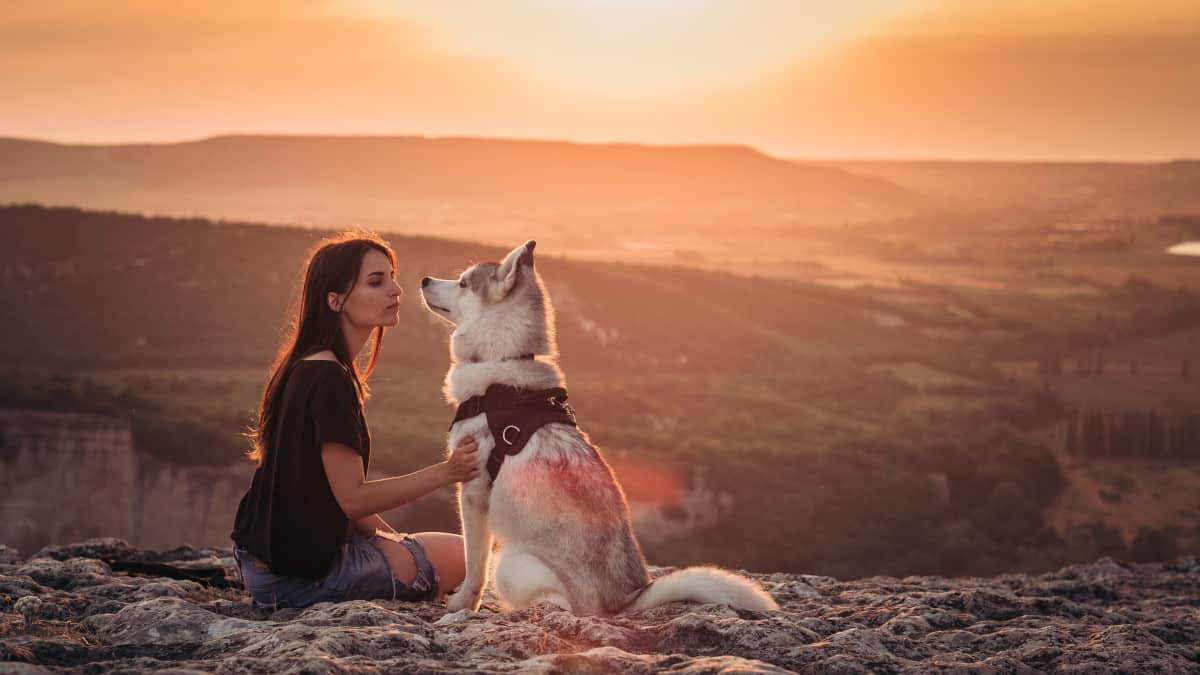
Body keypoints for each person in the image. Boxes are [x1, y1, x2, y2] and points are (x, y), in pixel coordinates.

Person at [230, 230, 480, 609]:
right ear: (335, 300)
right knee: (470, 557)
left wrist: (399, 546)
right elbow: (352, 498)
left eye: (392, 277)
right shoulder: (329, 379)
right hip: (302, 577)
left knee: (432, 549)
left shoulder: (307, 364)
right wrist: (447, 473)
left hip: (267, 563)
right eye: (376, 282)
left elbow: (336, 496)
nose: (395, 290)